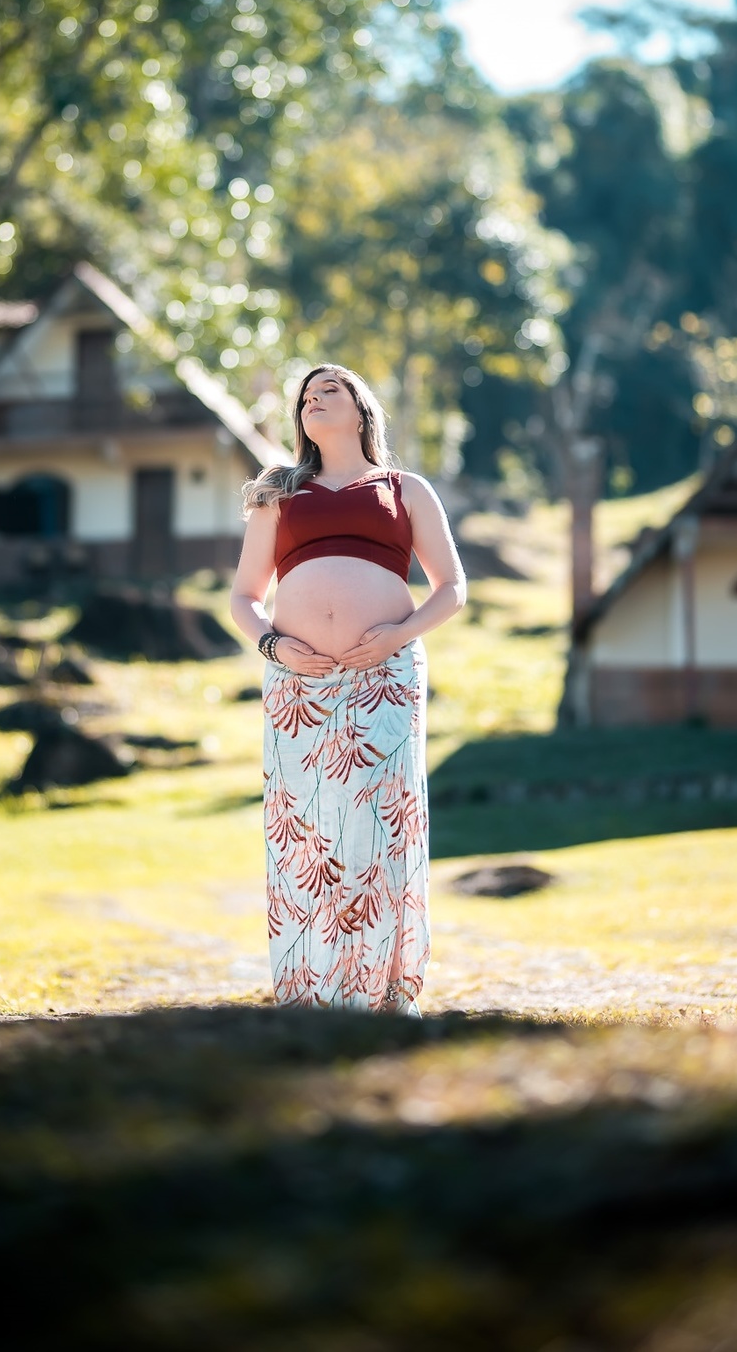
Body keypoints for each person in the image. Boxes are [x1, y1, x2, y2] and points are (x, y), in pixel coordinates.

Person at [230, 364, 466, 1012]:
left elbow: (452, 587)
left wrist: (399, 634)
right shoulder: (279, 491)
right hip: (297, 684)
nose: (314, 401)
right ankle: (308, 995)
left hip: (385, 674)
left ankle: (385, 993)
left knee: (380, 826)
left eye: (329, 391)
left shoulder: (403, 487)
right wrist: (275, 647)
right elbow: (245, 597)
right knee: (301, 831)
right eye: (306, 397)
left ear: (362, 410)